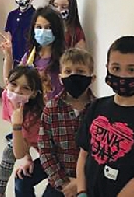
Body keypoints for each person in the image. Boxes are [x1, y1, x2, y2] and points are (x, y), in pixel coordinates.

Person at [75, 36, 134, 197]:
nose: (122, 76)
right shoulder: (96, 106)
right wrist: (81, 191)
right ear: (107, 67)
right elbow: (83, 153)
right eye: (116, 68)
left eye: (131, 70)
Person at [0, 6, 67, 196]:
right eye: (38, 27)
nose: (42, 32)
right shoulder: (31, 55)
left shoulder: (62, 61)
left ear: (57, 30)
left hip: (55, 130)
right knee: (14, 155)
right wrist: (8, 55)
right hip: (32, 121)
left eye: (47, 27)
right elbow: (12, 80)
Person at [37, 48, 97, 197]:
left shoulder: (99, 110)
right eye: (68, 71)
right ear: (60, 77)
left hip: (90, 184)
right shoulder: (51, 109)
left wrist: (82, 183)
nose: (74, 75)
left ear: (92, 78)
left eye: (80, 71)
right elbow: (45, 151)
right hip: (59, 185)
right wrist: (63, 182)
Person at [0, 65, 46, 196]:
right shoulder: (7, 98)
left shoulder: (37, 116)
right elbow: (25, 143)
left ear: (34, 93)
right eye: (13, 84)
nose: (17, 91)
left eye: (25, 88)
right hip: (40, 150)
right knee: (21, 178)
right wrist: (28, 158)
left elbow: (19, 152)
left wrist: (17, 125)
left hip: (58, 158)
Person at [3, 0, 37, 66]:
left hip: (28, 59)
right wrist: (7, 52)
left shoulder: (36, 16)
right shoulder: (12, 15)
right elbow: (9, 35)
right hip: (13, 57)